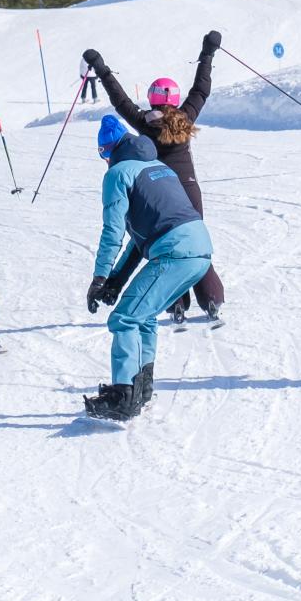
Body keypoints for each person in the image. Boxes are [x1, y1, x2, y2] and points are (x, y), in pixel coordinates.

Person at [82, 31, 225, 323]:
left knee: (167, 248)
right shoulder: (185, 118)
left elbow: (118, 99)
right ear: (173, 99)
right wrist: (207, 54)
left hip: (160, 191)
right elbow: (201, 90)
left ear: (152, 98)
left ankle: (177, 306)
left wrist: (100, 67)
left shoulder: (143, 122)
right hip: (190, 191)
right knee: (190, 241)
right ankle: (212, 300)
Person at [81, 114, 214, 421]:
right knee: (144, 314)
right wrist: (115, 280)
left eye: (104, 154)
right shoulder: (159, 167)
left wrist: (99, 276)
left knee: (125, 317)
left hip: (174, 252)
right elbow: (139, 241)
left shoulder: (118, 173)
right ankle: (143, 388)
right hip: (200, 249)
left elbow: (113, 230)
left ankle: (123, 395)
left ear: (108, 150)